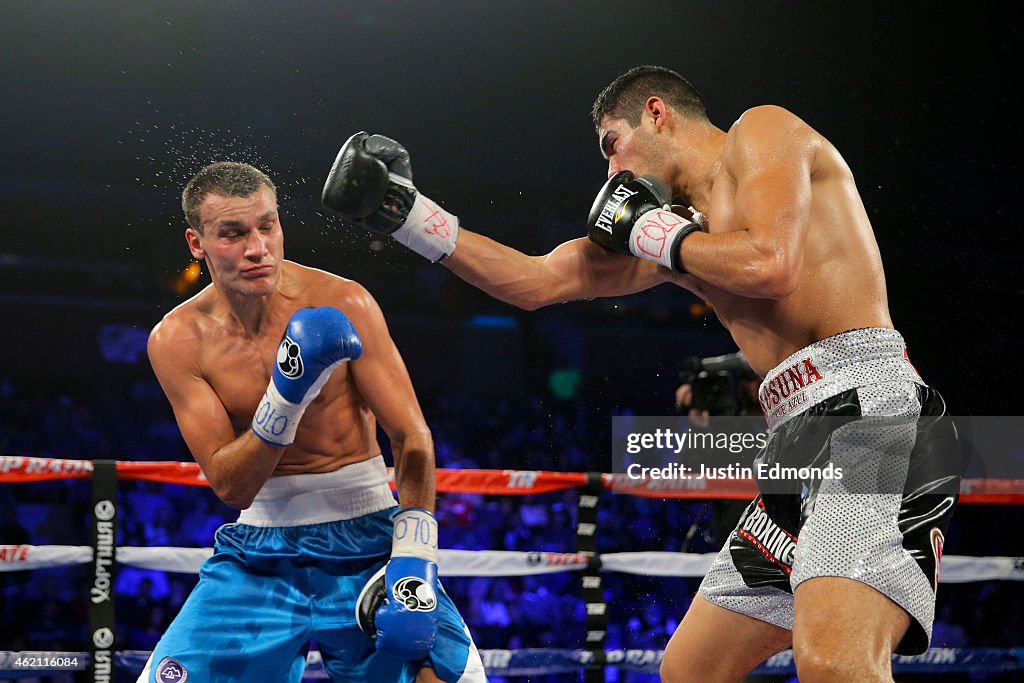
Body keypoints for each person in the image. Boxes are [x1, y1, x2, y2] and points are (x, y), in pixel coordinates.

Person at [321, 65, 960, 683]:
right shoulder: (678, 234)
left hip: (872, 412)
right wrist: (405, 214)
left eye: (613, 145)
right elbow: (537, 282)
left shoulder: (760, 133)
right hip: (795, 438)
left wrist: (657, 235)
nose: (611, 171)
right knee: (692, 669)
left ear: (657, 114)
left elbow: (772, 264)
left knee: (834, 663)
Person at [142, 161, 484, 683]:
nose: (257, 247)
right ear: (197, 243)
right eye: (233, 234)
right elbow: (231, 486)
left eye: (267, 226)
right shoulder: (177, 341)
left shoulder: (342, 300)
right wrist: (288, 393)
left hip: (368, 536)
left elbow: (411, 436)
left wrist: (414, 558)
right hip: (260, 550)